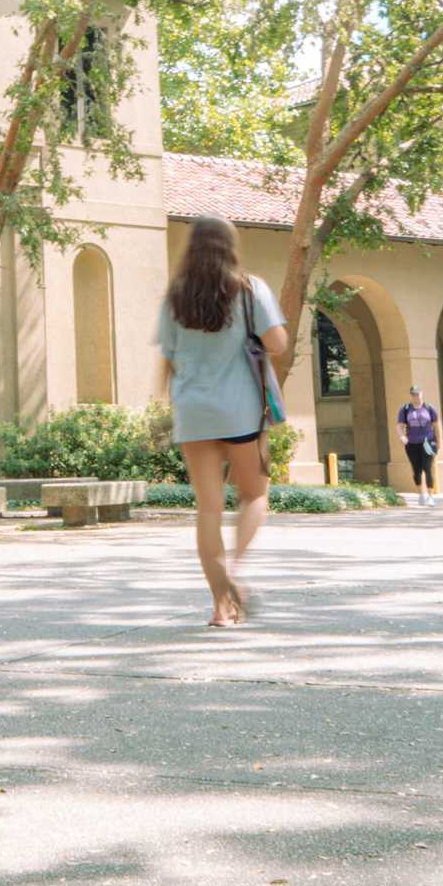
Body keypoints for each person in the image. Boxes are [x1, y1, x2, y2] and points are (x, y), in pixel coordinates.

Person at [154, 215, 288, 628]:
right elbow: (278, 344)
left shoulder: (176, 297)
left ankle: (220, 607)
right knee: (255, 495)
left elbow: (168, 360)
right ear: (230, 246)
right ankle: (233, 573)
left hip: (193, 412)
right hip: (241, 411)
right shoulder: (250, 289)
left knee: (207, 511)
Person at [395, 384, 442, 506]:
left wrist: (439, 443)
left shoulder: (429, 408)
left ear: (422, 394)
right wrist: (401, 436)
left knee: (428, 468)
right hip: (412, 443)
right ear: (411, 395)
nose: (416, 396)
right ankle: (421, 493)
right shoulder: (405, 409)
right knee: (417, 470)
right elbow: (399, 425)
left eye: (418, 394)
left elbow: (436, 427)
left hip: (428, 443)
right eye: (413, 394)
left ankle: (430, 496)